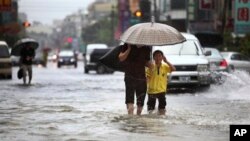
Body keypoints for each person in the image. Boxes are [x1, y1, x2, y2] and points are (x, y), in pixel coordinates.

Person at [118, 43, 151, 115]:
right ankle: (130, 123)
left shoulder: (147, 48)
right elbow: (121, 58)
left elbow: (146, 63)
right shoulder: (127, 45)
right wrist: (129, 49)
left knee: (140, 106)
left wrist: (153, 63)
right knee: (131, 108)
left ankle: (137, 123)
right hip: (130, 77)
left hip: (141, 78)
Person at [146, 50, 176, 115]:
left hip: (162, 90)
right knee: (150, 110)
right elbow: (147, 78)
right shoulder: (150, 67)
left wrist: (167, 61)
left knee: (162, 109)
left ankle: (161, 122)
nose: (158, 58)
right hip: (152, 91)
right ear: (153, 58)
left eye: (160, 56)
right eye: (156, 56)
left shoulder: (165, 66)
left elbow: (173, 69)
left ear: (162, 57)